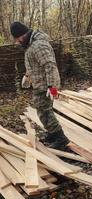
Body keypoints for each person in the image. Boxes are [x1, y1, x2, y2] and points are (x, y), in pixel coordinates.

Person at [10, 21, 70, 150]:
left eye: (17, 39)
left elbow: (49, 65)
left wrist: (52, 86)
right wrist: (27, 76)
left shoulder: (38, 45)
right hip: (39, 84)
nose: (17, 42)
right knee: (42, 109)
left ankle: (60, 138)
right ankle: (52, 134)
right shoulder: (30, 45)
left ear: (22, 35)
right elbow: (34, 64)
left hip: (45, 85)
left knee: (45, 111)